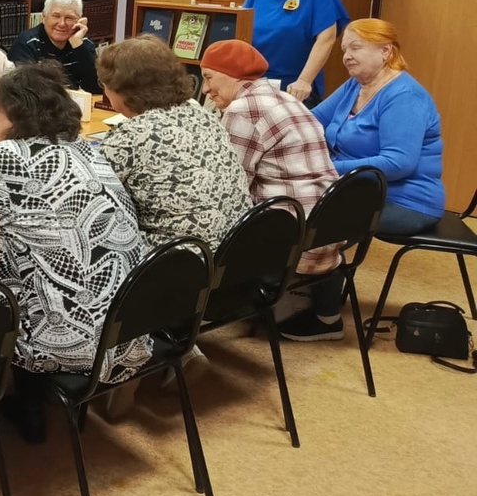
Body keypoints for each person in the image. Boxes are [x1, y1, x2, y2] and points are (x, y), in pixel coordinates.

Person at [0, 64, 149, 443]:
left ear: (16, 111)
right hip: (129, 328)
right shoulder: (86, 149)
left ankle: (12, 399)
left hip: (71, 341)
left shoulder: (7, 156)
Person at [200, 40, 344, 336]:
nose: (205, 89)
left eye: (209, 78)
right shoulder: (286, 98)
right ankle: (326, 315)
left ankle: (204, 314)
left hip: (291, 233)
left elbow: (230, 187)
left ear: (232, 74)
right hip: (329, 223)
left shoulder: (243, 109)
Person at [97, 36, 252, 251]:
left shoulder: (129, 136)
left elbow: (92, 197)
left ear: (121, 89)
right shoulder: (202, 114)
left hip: (180, 259)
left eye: (104, 84)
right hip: (235, 250)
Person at [314, 18, 444, 230]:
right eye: (344, 50)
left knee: (306, 213)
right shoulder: (355, 85)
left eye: (355, 47)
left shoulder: (404, 95)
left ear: (385, 51)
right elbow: (310, 120)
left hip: (405, 201)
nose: (346, 56)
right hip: (357, 189)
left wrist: (326, 168)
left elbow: (398, 163)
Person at [8, 0, 101, 92]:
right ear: (44, 17)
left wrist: (77, 45)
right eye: (56, 16)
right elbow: (23, 91)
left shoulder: (83, 43)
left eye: (69, 18)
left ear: (79, 20)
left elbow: (97, 87)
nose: (62, 24)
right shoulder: (27, 43)